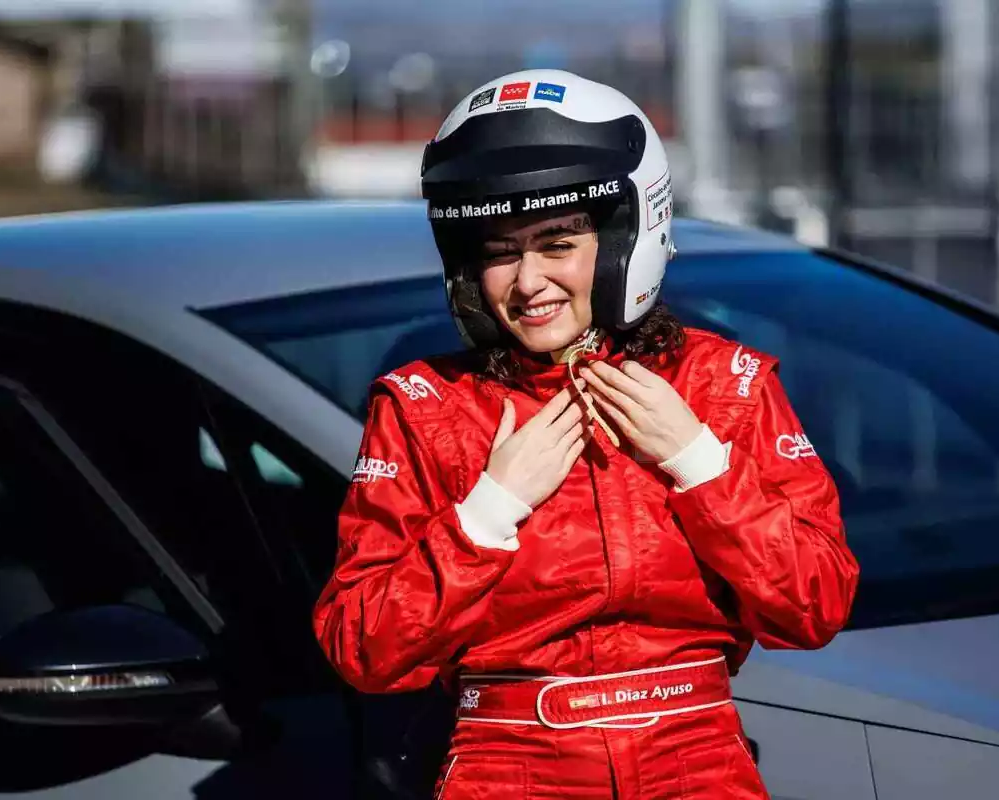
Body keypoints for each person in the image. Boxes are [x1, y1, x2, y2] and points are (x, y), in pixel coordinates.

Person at [313, 69, 860, 799]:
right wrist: (488, 511)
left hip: (698, 763)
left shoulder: (724, 384)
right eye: (501, 251)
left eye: (556, 241)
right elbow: (363, 646)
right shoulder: (424, 407)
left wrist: (699, 462)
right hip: (508, 765)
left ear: (624, 235)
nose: (528, 280)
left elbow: (815, 605)